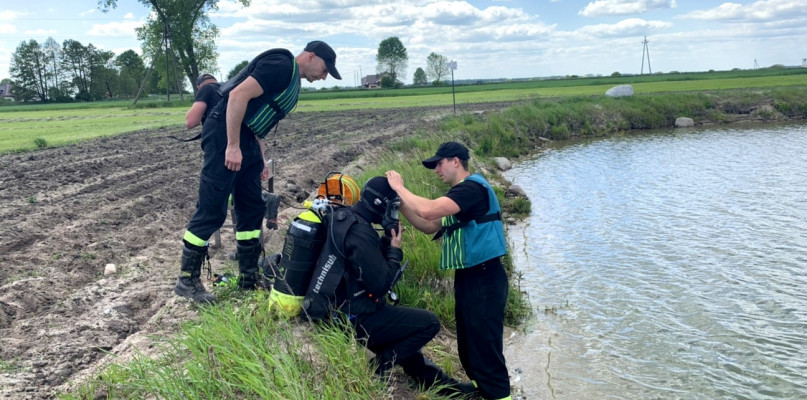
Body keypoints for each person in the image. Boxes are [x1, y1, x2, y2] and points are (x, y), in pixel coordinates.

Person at [174, 40, 342, 304]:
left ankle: (248, 277)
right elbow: (237, 96)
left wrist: (259, 157)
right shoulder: (281, 65)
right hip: (225, 136)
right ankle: (187, 280)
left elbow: (255, 118)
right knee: (212, 209)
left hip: (248, 139)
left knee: (251, 207)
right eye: (324, 69)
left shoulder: (291, 76)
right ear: (310, 56)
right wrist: (232, 145)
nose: (323, 77)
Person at [303, 177, 476, 397]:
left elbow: (360, 264)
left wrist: (384, 244)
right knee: (428, 323)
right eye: (393, 207)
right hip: (352, 318)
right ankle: (379, 366)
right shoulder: (359, 231)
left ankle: (450, 390)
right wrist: (395, 250)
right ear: (379, 204)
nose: (394, 214)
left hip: (339, 310)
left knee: (407, 346)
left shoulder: (348, 221)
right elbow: (381, 285)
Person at [385, 142, 511, 400]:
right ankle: (483, 393)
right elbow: (428, 224)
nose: (435, 170)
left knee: (486, 350)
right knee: (469, 349)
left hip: (485, 277)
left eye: (438, 163)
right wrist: (400, 204)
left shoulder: (472, 188)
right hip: (468, 277)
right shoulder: (460, 198)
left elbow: (428, 209)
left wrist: (399, 186)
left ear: (456, 161)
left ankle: (499, 396)